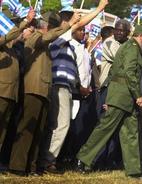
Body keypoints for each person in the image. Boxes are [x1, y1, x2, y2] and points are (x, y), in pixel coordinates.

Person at [39, 0, 108, 174]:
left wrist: (79, 85)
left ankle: (48, 159)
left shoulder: (68, 46)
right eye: (72, 22)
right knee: (61, 125)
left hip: (68, 88)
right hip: (59, 87)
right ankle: (48, 161)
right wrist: (99, 8)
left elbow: (74, 71)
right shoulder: (60, 38)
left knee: (59, 125)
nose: (78, 26)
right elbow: (80, 23)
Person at [8, 11, 80, 176]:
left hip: (42, 90)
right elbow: (48, 37)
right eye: (53, 27)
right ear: (46, 27)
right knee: (27, 129)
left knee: (38, 131)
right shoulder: (35, 38)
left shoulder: (44, 41)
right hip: (33, 89)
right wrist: (68, 25)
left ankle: (31, 166)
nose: (54, 31)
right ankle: (18, 166)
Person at [76, 25, 142, 179]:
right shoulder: (132, 48)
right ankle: (83, 159)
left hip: (125, 97)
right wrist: (137, 95)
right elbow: (129, 72)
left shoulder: (133, 48)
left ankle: (133, 170)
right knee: (105, 128)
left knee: (130, 132)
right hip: (121, 96)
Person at [0, 9, 35, 171]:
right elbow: (8, 37)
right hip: (1, 93)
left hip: (10, 95)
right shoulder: (3, 45)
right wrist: (25, 22)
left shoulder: (14, 50)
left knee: (4, 131)